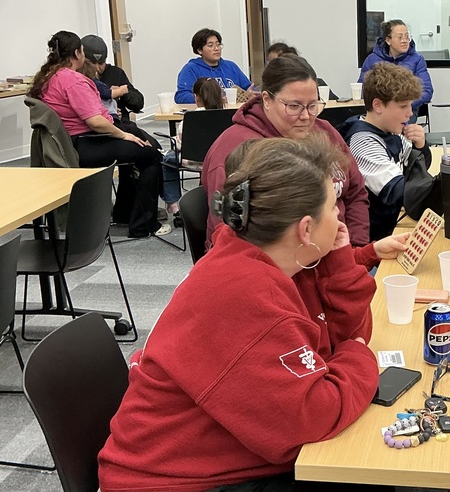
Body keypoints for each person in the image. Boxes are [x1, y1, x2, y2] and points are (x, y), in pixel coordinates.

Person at [98, 136, 388, 492]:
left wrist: (338, 258)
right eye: (332, 207)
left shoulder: (274, 259)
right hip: (171, 482)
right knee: (367, 472)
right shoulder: (249, 292)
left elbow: (345, 333)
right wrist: (359, 355)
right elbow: (313, 416)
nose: (339, 217)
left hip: (216, 456)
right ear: (306, 229)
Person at [203, 54, 370, 249]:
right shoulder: (238, 150)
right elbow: (229, 234)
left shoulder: (323, 131)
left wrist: (355, 249)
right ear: (266, 99)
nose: (306, 116)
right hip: (285, 265)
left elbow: (356, 193)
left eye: (313, 105)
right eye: (294, 106)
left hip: (338, 253)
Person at [29, 30, 168, 238]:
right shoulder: (73, 80)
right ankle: (143, 225)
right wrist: (122, 135)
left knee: (141, 143)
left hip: (69, 143)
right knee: (151, 155)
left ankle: (124, 212)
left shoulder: (48, 77)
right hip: (86, 143)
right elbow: (95, 122)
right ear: (77, 53)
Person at [340, 63, 429, 240]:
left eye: (410, 106)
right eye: (403, 106)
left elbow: (416, 172)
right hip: (374, 239)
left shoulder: (389, 130)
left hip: (391, 227)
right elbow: (398, 191)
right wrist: (449, 195)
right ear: (378, 105)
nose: (409, 114)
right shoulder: (362, 142)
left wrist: (420, 147)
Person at [161, 77, 226, 222]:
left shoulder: (190, 118)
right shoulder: (226, 116)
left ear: (196, 97)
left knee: (167, 159)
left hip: (192, 161)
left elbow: (181, 145)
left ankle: (174, 204)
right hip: (218, 161)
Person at [358, 19, 433, 122]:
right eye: (400, 37)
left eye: (407, 36)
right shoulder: (372, 60)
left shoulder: (417, 59)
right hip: (379, 110)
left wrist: (402, 104)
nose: (405, 40)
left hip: (406, 111)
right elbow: (363, 88)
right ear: (388, 40)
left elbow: (427, 91)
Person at [175, 28, 254, 104]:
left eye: (218, 44)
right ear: (199, 50)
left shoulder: (231, 66)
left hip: (234, 113)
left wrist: (251, 94)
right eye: (210, 45)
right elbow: (181, 96)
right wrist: (209, 99)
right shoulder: (191, 69)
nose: (216, 49)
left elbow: (249, 87)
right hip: (208, 114)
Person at [81, 34, 144, 123]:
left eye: (101, 63)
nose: (97, 68)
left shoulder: (115, 73)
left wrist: (121, 92)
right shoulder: (78, 78)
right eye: (92, 63)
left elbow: (139, 103)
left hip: (121, 124)